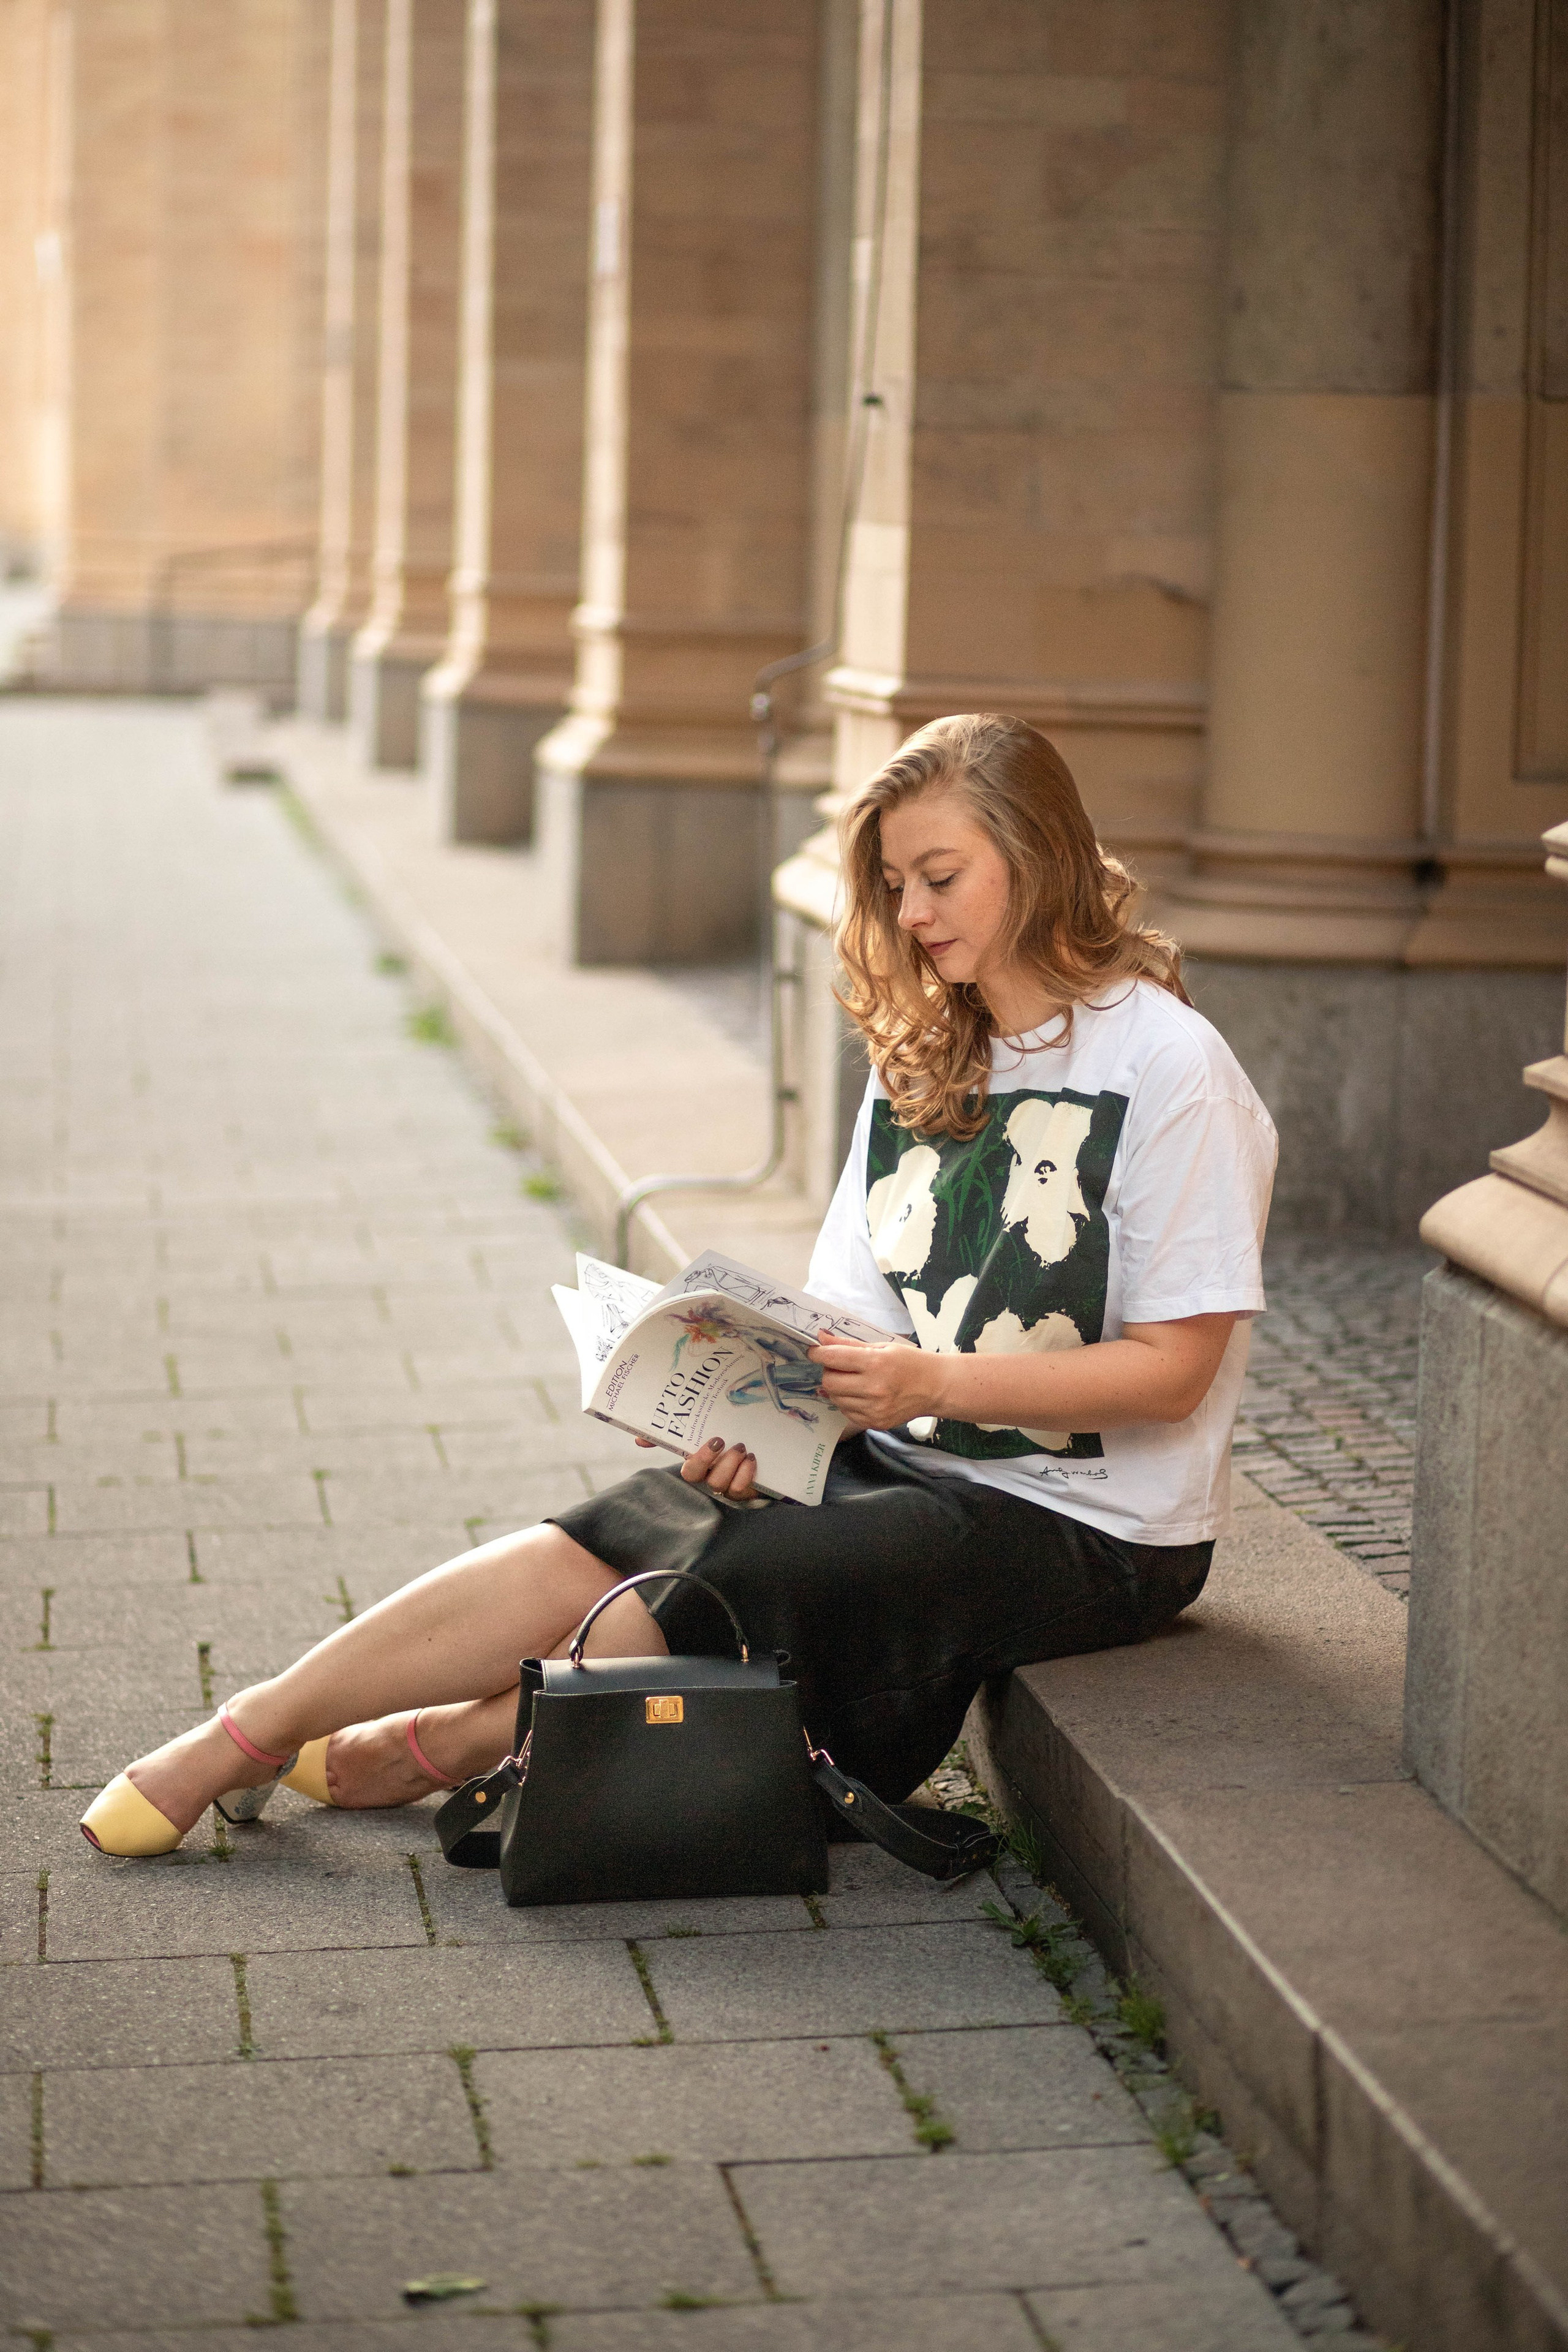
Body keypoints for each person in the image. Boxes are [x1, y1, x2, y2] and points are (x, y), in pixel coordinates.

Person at [80, 714, 1276, 1858]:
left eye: (939, 877)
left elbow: (1174, 1373)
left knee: (730, 1573)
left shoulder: (1167, 1069)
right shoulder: (928, 1050)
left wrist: (927, 1380)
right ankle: (249, 1726)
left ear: (1038, 856)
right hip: (910, 1457)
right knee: (643, 1520)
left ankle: (438, 1747)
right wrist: (762, 1422)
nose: (909, 913)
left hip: (1096, 1529)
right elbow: (850, 1318)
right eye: (894, 884)